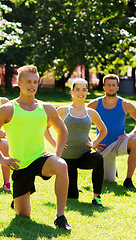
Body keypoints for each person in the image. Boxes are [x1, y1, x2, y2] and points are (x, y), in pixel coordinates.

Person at [0, 65, 71, 230]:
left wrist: (58, 154)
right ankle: (17, 200)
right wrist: (1, 159)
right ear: (19, 83)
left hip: (40, 158)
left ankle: (60, 216)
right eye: (28, 82)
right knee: (23, 215)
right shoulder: (8, 109)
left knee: (62, 165)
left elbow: (62, 130)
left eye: (35, 82)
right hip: (19, 165)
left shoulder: (46, 108)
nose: (32, 85)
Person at [46, 78, 107, 206]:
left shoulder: (91, 113)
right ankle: (73, 187)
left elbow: (103, 130)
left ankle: (97, 197)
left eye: (84, 90)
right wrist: (55, 145)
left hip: (84, 155)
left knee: (98, 158)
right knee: (72, 196)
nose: (81, 92)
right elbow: (45, 129)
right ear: (72, 92)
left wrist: (94, 143)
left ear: (87, 92)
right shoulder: (63, 110)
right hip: (67, 159)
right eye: (77, 89)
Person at [87, 74, 136, 189]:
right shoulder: (94, 104)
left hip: (119, 143)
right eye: (108, 85)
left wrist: (131, 135)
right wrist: (92, 143)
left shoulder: (125, 104)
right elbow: (81, 123)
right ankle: (112, 170)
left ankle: (128, 180)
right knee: (109, 180)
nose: (111, 87)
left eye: (113, 85)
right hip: (103, 147)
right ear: (104, 87)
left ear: (117, 88)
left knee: (135, 141)